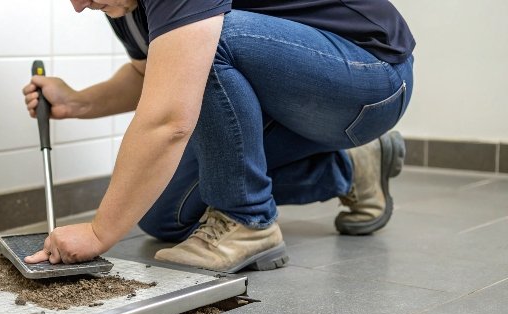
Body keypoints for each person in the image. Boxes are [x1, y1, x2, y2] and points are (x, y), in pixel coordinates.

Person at [23, 0, 414, 273]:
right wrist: (79, 103)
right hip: (293, 99)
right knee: (165, 216)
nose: (78, 5)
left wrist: (98, 232)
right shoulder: (120, 5)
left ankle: (247, 220)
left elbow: (170, 117)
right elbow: (150, 72)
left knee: (202, 41)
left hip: (370, 80)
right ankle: (350, 169)